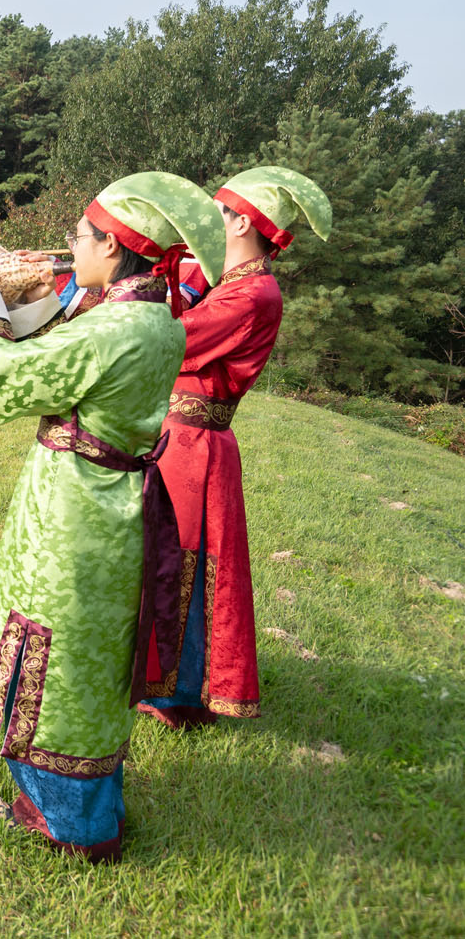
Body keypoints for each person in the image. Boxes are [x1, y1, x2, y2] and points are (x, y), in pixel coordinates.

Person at [0, 171, 219, 862]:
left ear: (113, 247)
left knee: (56, 658)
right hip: (111, 503)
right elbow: (65, 355)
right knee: (91, 660)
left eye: (78, 236)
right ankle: (89, 807)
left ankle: (72, 823)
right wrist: (36, 295)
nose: (69, 246)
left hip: (75, 513)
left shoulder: (114, 330)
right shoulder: (154, 317)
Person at [139, 166, 333, 731]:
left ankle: (180, 694)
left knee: (185, 566)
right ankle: (157, 681)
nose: (203, 225)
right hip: (179, 443)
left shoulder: (253, 293)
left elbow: (173, 339)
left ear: (243, 222)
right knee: (165, 559)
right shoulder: (226, 280)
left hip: (196, 449)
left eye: (215, 215)